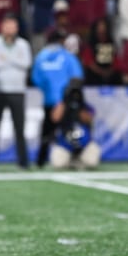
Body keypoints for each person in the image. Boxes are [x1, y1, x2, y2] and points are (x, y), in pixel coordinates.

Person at [0, 16, 31, 170]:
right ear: (2, 27)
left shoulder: (23, 44)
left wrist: (6, 59)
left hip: (17, 90)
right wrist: (14, 60)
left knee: (19, 128)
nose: (10, 30)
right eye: (7, 26)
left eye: (13, 26)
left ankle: (23, 161)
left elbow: (27, 63)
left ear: (17, 28)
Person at [31, 30, 84, 168]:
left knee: (47, 131)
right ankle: (75, 158)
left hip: (49, 100)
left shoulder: (41, 56)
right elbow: (77, 76)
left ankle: (40, 160)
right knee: (69, 130)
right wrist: (65, 97)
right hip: (66, 100)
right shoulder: (67, 56)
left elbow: (36, 79)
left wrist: (49, 91)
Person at [49, 79, 101, 169]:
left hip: (84, 143)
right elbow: (55, 118)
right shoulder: (62, 105)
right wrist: (66, 101)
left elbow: (88, 119)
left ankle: (78, 160)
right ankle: (71, 161)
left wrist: (79, 105)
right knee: (58, 164)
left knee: (92, 162)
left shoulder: (85, 106)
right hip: (65, 143)